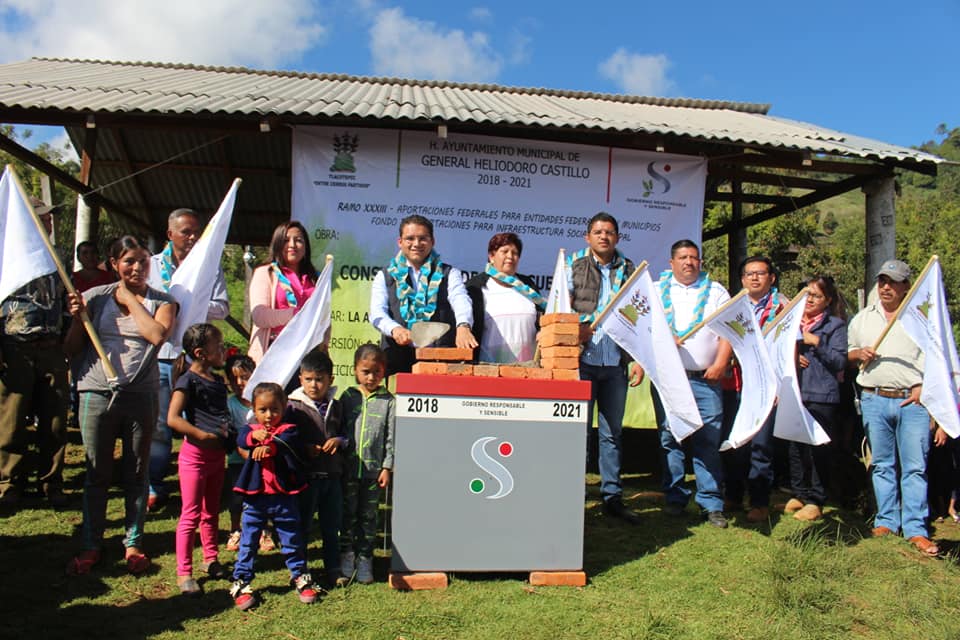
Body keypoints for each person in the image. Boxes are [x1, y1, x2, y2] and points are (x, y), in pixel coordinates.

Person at [64, 235, 177, 575]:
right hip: (95, 392)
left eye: (143, 260)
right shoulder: (93, 300)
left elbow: (157, 336)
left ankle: (133, 543)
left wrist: (129, 298)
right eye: (129, 261)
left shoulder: (163, 301)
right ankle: (90, 545)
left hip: (141, 394)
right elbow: (71, 348)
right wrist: (76, 319)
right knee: (97, 473)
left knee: (137, 472)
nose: (138, 267)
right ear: (114, 264)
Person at [848, 259, 938, 556]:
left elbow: (937, 355)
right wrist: (857, 353)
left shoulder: (921, 318)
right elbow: (849, 353)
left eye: (893, 282)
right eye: (882, 281)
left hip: (911, 401)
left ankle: (915, 528)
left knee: (915, 466)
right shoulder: (863, 318)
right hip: (874, 397)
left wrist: (924, 386)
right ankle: (887, 520)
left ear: (906, 287)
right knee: (882, 464)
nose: (886, 287)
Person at [147, 208, 229, 510]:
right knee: (159, 424)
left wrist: (192, 306)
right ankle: (155, 486)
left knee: (196, 422)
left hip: (195, 362)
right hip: (161, 356)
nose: (193, 237)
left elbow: (222, 308)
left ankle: (194, 484)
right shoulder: (152, 266)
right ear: (170, 234)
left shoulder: (210, 268)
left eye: (197, 231)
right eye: (186, 232)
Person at [567, 212, 643, 525]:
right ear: (588, 237)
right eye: (598, 232)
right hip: (582, 361)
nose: (603, 237)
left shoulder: (629, 269)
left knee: (612, 435)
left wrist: (636, 357)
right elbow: (561, 308)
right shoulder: (573, 266)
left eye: (609, 232)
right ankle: (574, 497)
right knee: (577, 433)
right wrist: (575, 332)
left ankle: (612, 497)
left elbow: (639, 316)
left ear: (617, 238)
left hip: (614, 363)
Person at [653, 239, 732, 528]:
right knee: (670, 438)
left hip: (705, 380)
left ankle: (711, 503)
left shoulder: (715, 291)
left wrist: (721, 363)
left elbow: (729, 332)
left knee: (708, 440)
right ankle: (675, 498)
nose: (689, 262)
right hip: (669, 380)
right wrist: (663, 338)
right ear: (671, 263)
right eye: (683, 257)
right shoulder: (656, 290)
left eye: (694, 258)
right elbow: (645, 328)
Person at [230, 382, 318, 610]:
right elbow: (241, 439)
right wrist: (253, 438)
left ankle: (300, 575)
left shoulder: (289, 429)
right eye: (263, 410)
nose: (269, 415)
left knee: (292, 538)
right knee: (248, 541)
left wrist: (268, 447)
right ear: (254, 410)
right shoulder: (250, 429)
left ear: (284, 407)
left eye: (274, 409)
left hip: (284, 496)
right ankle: (242, 581)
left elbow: (286, 441)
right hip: (255, 497)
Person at [167, 323, 232, 595]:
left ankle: (210, 559)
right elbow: (172, 419)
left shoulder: (217, 380)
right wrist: (201, 436)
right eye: (218, 346)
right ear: (200, 353)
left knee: (211, 510)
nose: (223, 349)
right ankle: (184, 573)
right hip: (195, 457)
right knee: (190, 514)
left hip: (218, 457)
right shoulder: (187, 380)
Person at [370, 215, 477, 376]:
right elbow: (376, 313)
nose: (416, 244)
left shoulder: (449, 273)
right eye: (410, 238)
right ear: (400, 242)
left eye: (422, 238)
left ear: (432, 241)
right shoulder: (385, 276)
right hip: (397, 361)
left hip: (438, 363)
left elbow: (460, 299)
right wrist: (395, 329)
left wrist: (463, 325)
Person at [723, 256, 786, 522]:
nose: (754, 278)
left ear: (771, 278)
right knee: (734, 442)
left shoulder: (783, 307)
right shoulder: (733, 307)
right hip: (735, 382)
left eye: (760, 273)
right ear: (742, 279)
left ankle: (760, 501)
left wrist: (780, 387)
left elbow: (787, 349)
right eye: (749, 274)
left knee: (761, 445)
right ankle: (734, 496)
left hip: (765, 387)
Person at [786, 275, 848, 522]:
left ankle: (816, 498)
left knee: (818, 448)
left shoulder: (835, 326)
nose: (809, 299)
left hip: (821, 394)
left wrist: (816, 343)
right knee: (795, 445)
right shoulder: (791, 322)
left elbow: (840, 360)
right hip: (795, 392)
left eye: (816, 296)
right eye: (806, 294)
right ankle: (798, 492)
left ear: (827, 300)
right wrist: (794, 355)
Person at [287, 347, 346, 589]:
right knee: (303, 526)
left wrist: (339, 441)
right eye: (309, 379)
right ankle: (300, 570)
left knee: (332, 527)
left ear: (330, 380)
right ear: (300, 378)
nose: (314, 385)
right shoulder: (293, 406)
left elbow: (346, 434)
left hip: (332, 476)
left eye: (319, 379)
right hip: (306, 478)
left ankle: (333, 568)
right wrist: (304, 447)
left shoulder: (337, 404)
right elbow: (288, 438)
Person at [339, 344, 394, 585]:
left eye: (377, 372)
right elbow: (338, 430)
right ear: (355, 371)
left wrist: (387, 466)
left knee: (368, 516)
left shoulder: (389, 401)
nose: (371, 377)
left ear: (384, 373)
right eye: (365, 372)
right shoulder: (347, 397)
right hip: (348, 470)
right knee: (348, 514)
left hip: (373, 473)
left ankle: (365, 558)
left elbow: (392, 436)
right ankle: (347, 555)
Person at [465, 232, 544, 363]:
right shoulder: (476, 287)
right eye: (505, 251)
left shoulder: (528, 285)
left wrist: (543, 332)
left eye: (515, 253)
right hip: (489, 370)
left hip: (528, 370)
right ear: (491, 256)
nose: (510, 257)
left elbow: (543, 318)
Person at [248, 221, 318, 364]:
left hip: (307, 353)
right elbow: (259, 315)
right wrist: (294, 314)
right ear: (277, 244)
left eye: (298, 240)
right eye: (286, 240)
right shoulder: (266, 273)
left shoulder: (314, 278)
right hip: (274, 351)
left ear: (306, 247)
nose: (292, 245)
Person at [224, 354, 255, 553]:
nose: (239, 383)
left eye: (244, 377)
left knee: (260, 497)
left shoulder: (260, 402)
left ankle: (263, 531)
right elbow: (229, 433)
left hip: (261, 461)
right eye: (233, 378)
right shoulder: (230, 404)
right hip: (237, 461)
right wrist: (241, 451)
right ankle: (236, 530)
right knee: (236, 498)